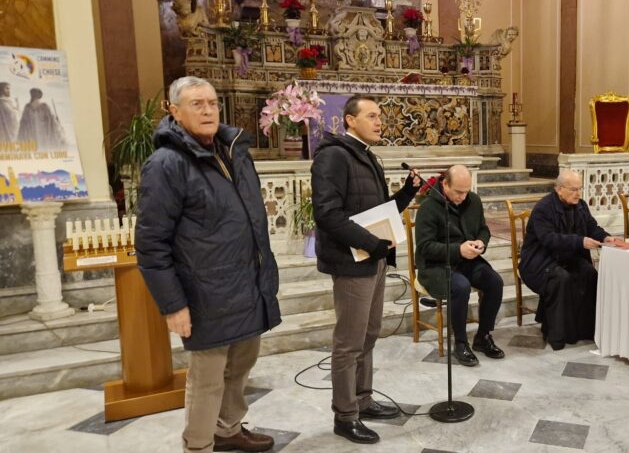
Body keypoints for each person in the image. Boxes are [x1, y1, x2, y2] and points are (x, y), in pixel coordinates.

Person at [136, 76, 280, 453]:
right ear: (174, 111)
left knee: (242, 365)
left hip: (247, 285)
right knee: (208, 378)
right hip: (204, 293)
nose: (207, 110)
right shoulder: (166, 164)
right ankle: (198, 445)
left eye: (212, 103)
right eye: (196, 104)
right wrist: (173, 304)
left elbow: (249, 219)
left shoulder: (234, 151)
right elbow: (151, 244)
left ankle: (228, 429)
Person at [311, 95, 421, 444]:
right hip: (350, 261)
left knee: (370, 332)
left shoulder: (365, 156)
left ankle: (363, 399)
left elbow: (374, 211)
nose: (379, 122)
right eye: (371, 116)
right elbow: (328, 214)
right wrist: (370, 244)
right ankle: (345, 415)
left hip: (370, 259)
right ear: (349, 120)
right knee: (349, 341)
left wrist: (405, 195)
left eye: (380, 116)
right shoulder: (333, 157)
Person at [414, 164, 505, 367]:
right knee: (461, 286)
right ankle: (460, 343)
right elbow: (425, 247)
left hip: (466, 260)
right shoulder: (428, 208)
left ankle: (483, 337)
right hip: (435, 266)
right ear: (445, 184)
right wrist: (458, 249)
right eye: (458, 192)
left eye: (466, 191)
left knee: (495, 282)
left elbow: (483, 229)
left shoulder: (473, 200)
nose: (463, 197)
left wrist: (482, 242)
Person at [519, 170, 620, 350]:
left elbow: (591, 226)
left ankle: (585, 330)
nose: (578, 193)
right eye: (573, 189)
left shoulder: (580, 205)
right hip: (539, 260)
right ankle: (557, 336)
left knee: (589, 273)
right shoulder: (544, 208)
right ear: (559, 189)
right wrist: (579, 241)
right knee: (561, 278)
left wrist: (605, 238)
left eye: (580, 188)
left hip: (567, 257)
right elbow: (548, 239)